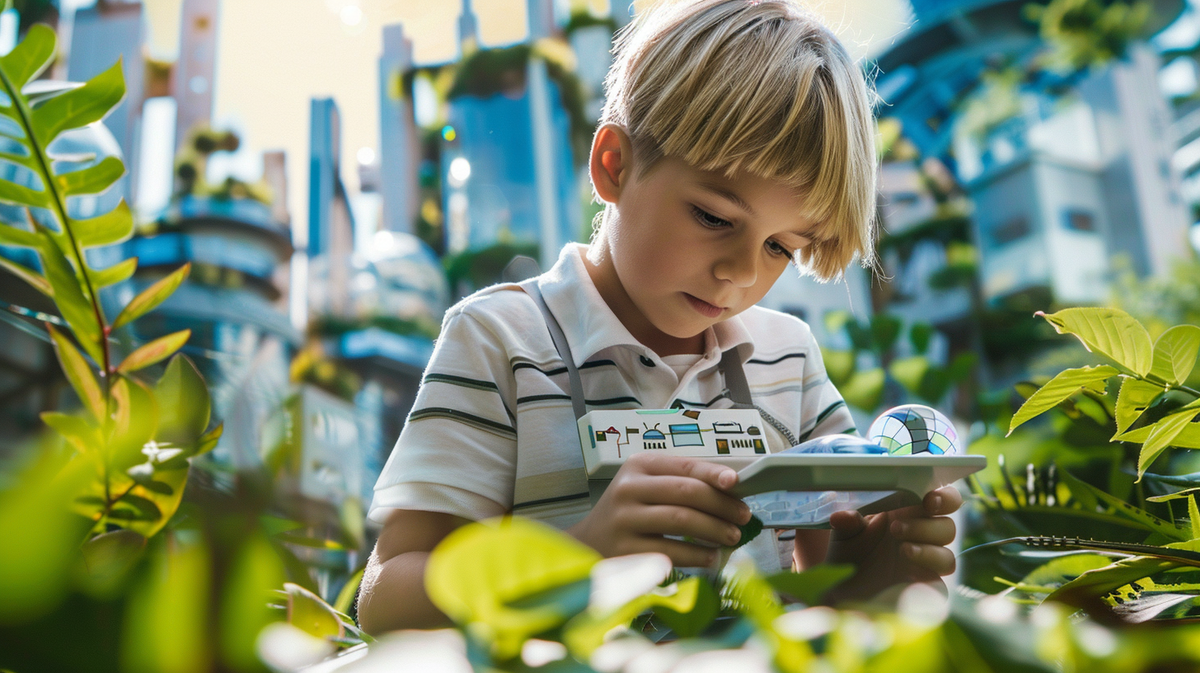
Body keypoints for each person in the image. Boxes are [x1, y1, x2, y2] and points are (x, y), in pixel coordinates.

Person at [357, 0, 962, 634]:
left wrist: (868, 578)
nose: (742, 273)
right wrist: (577, 559)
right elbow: (386, 597)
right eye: (713, 218)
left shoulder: (790, 357)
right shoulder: (500, 340)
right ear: (614, 165)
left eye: (782, 246)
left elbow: (821, 593)